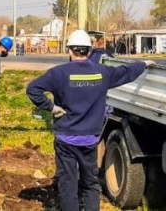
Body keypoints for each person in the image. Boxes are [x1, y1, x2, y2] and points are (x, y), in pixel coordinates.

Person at [26, 30, 154, 211]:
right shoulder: (102, 73)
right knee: (90, 183)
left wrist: (51, 108)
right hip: (90, 139)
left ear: (69, 50)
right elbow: (126, 72)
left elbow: (33, 89)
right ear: (89, 50)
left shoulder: (58, 73)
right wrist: (144, 64)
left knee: (68, 183)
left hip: (66, 139)